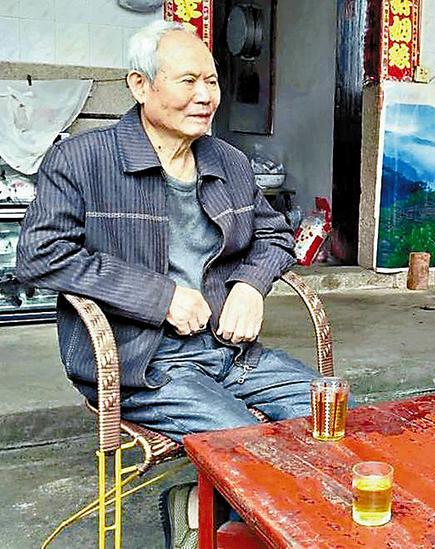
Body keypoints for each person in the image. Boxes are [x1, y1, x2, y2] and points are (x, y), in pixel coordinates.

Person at [16, 20, 320, 549]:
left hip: (231, 352)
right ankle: (216, 524)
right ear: (140, 85)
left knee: (332, 415)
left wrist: (250, 285)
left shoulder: (228, 161)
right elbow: (40, 256)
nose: (206, 96)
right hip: (144, 362)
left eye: (212, 81)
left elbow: (275, 235)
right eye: (188, 81)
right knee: (243, 443)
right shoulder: (83, 160)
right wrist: (160, 298)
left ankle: (219, 513)